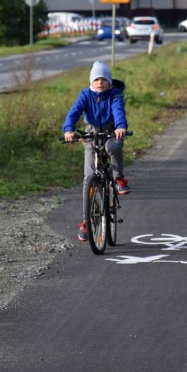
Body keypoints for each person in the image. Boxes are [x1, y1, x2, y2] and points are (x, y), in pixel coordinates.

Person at [63, 60, 131, 242]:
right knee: (89, 176)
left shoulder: (115, 95)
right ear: (91, 82)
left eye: (103, 79)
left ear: (109, 81)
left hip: (111, 132)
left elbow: (118, 112)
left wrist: (121, 127)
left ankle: (118, 178)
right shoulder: (85, 95)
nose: (99, 83)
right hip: (90, 135)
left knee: (113, 147)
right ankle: (87, 219)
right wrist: (69, 129)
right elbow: (74, 112)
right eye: (96, 80)